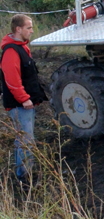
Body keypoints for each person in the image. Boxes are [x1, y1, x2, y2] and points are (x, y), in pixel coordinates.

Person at [1, 14, 48, 183]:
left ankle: (25, 173)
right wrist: (24, 99)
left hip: (24, 103)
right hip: (19, 105)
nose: (32, 31)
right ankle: (24, 178)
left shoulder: (22, 47)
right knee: (25, 139)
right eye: (29, 28)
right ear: (18, 29)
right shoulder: (11, 51)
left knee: (25, 138)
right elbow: (12, 79)